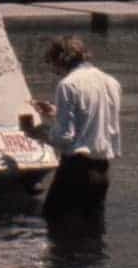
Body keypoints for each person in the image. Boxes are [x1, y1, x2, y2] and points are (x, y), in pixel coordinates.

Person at [20, 36, 123, 229]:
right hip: (102, 171)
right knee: (93, 233)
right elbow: (100, 121)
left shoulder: (67, 85)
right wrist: (57, 112)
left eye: (53, 65)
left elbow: (65, 138)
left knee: (56, 228)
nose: (55, 72)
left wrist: (37, 132)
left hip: (75, 170)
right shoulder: (111, 82)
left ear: (61, 60)